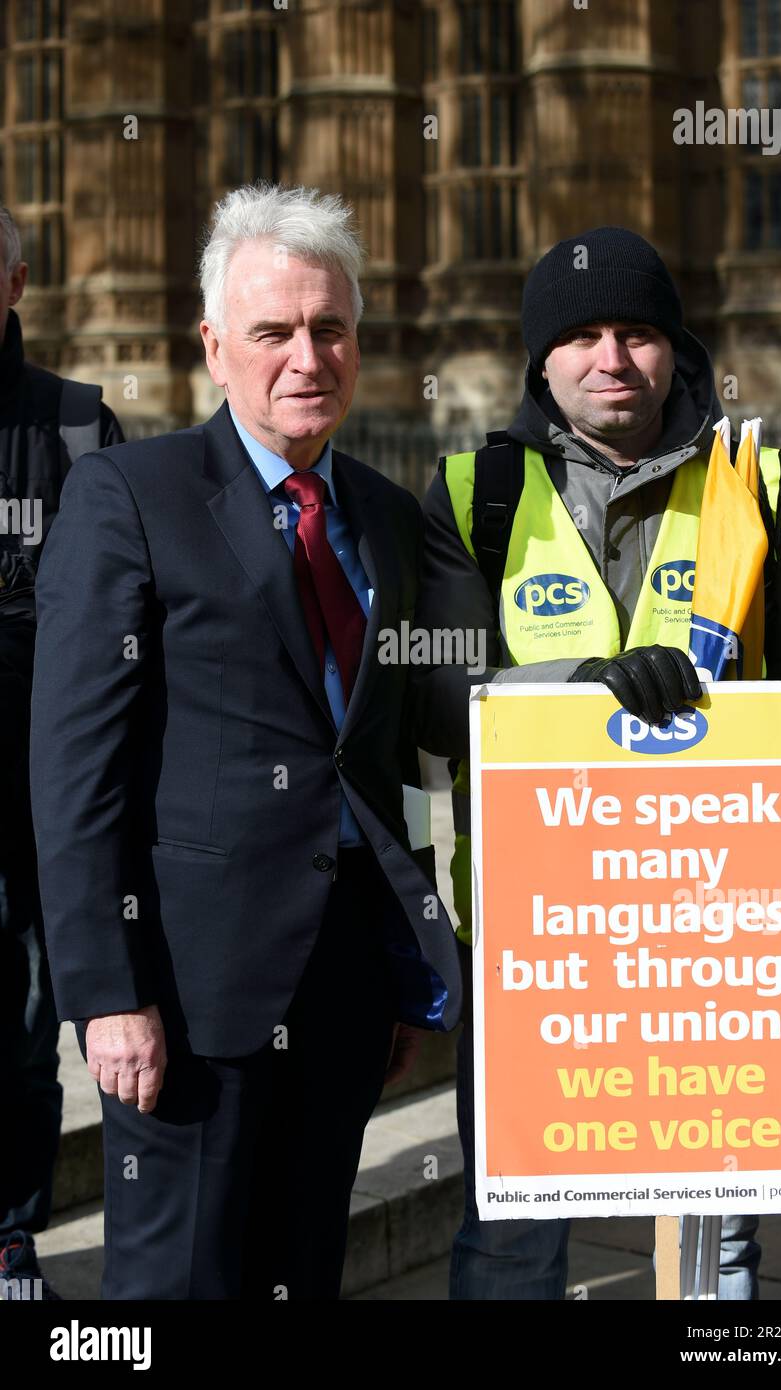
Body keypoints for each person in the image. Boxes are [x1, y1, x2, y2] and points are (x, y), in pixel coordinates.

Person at [28, 183, 461, 1301]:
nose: (305, 355)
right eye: (273, 331)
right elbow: (76, 771)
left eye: (329, 328)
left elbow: (412, 742)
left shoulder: (385, 516)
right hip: (184, 998)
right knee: (173, 1290)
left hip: (346, 993)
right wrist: (103, 992)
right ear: (215, 347)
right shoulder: (130, 494)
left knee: (299, 1276)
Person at [412, 226, 781, 1301]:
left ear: (673, 347)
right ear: (541, 358)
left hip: (712, 941)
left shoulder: (755, 483)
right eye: (582, 335)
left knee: (714, 1252)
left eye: (638, 332)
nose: (611, 358)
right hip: (536, 938)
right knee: (514, 1232)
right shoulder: (476, 493)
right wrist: (589, 687)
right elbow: (434, 692)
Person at [0, 205, 123, 1301]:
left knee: (27, 1044)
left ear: (19, 280)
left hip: (39, 810)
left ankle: (9, 1240)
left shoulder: (77, 430)